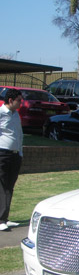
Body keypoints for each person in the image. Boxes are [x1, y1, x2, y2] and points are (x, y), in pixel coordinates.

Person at [0, 88, 24, 231]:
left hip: (15, 155)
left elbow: (19, 134)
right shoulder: (1, 113)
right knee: (2, 186)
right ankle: (0, 219)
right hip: (2, 154)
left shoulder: (16, 115)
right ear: (10, 100)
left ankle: (5, 218)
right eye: (19, 101)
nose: (21, 103)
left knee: (10, 186)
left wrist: (20, 152)